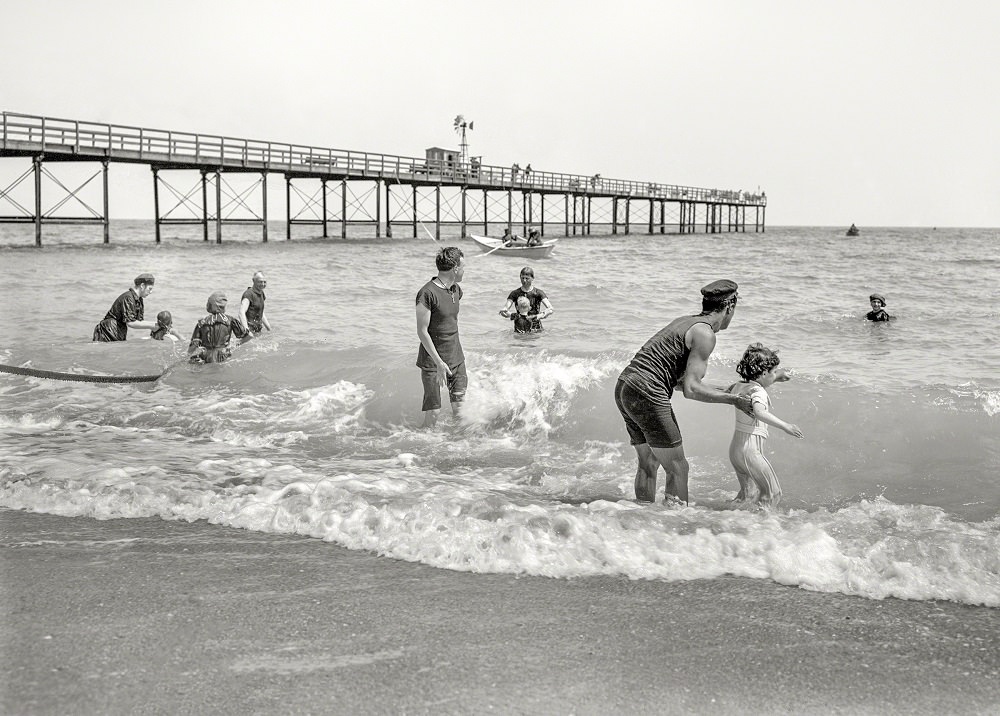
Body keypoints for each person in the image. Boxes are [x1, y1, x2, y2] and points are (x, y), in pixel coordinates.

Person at [614, 280, 753, 505]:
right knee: (678, 468)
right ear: (730, 306)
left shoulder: (686, 322)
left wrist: (726, 390)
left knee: (648, 461)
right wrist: (734, 400)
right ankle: (674, 525)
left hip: (626, 385)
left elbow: (679, 383)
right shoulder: (705, 333)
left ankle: (640, 515)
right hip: (648, 389)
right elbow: (691, 389)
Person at [726, 343, 803, 508]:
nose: (775, 375)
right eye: (773, 372)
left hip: (735, 452)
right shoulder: (759, 392)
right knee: (773, 493)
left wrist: (776, 376)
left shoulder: (738, 386)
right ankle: (757, 528)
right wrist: (786, 426)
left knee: (747, 495)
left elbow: (753, 385)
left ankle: (727, 518)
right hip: (750, 452)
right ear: (763, 373)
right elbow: (760, 412)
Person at [415, 247, 467, 428]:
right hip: (432, 361)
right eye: (462, 267)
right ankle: (420, 448)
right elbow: (422, 331)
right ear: (454, 268)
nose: (464, 270)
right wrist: (438, 363)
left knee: (459, 410)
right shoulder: (426, 293)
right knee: (434, 413)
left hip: (456, 358)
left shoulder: (456, 290)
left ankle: (456, 448)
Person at [92, 273, 157, 342]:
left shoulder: (139, 300)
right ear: (142, 286)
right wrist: (153, 326)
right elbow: (131, 323)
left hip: (118, 329)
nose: (151, 292)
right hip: (108, 329)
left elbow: (139, 322)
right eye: (150, 289)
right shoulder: (128, 297)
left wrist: (156, 325)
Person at [188, 291, 249, 363]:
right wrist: (234, 346)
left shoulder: (202, 322)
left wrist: (187, 356)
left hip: (206, 357)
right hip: (223, 356)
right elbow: (249, 336)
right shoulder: (231, 320)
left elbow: (194, 345)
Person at [498, 266, 553, 331]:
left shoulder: (538, 293)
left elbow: (550, 307)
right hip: (520, 325)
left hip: (536, 327)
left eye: (527, 278)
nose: (524, 280)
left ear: (532, 278)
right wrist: (503, 311)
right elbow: (506, 307)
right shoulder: (515, 293)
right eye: (522, 278)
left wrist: (545, 313)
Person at [239, 271, 271, 335]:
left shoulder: (261, 293)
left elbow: (260, 312)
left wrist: (268, 328)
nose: (263, 284)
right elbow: (241, 312)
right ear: (253, 281)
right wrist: (247, 331)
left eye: (265, 282)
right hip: (249, 331)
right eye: (260, 282)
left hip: (257, 330)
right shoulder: (248, 294)